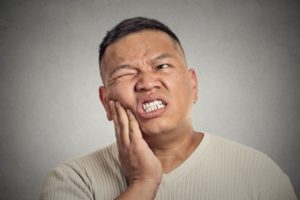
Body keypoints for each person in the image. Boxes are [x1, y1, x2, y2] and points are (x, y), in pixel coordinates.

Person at [40, 17, 297, 200]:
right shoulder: (73, 179)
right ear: (106, 102)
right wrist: (143, 183)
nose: (147, 83)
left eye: (161, 66)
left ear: (193, 84)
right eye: (127, 73)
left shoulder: (258, 173)